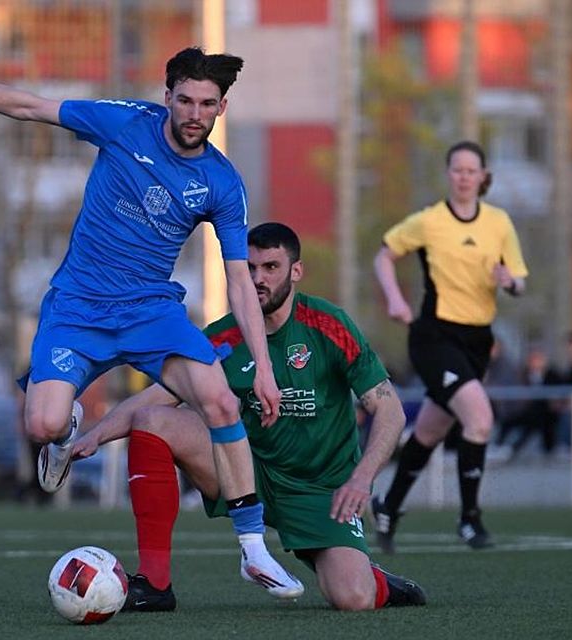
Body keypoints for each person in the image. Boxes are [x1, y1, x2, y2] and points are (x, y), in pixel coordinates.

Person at [0, 47, 297, 597]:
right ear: (167, 99)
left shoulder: (222, 183)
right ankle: (64, 432)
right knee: (42, 425)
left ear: (221, 108)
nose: (194, 113)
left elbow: (238, 284)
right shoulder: (125, 123)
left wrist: (266, 369)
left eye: (207, 103)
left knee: (221, 401)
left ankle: (253, 551)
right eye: (185, 100)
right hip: (78, 309)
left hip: (151, 313)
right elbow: (30, 107)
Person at [72, 223, 424, 611]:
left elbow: (388, 409)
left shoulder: (329, 326)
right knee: (154, 421)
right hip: (248, 476)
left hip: (322, 490)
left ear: (296, 271)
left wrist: (362, 478)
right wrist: (95, 435)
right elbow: (159, 395)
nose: (258, 279)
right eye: (250, 268)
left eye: (271, 267)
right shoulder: (223, 337)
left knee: (353, 597)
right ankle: (155, 584)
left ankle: (380, 580)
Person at [371, 140, 529, 552]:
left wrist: (509, 281)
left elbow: (519, 280)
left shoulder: (499, 223)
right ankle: (470, 520)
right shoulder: (429, 221)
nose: (463, 177)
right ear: (449, 175)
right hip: (434, 336)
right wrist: (395, 298)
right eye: (456, 170)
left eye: (470, 170)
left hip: (477, 342)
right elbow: (384, 255)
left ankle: (387, 506)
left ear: (483, 177)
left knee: (429, 431)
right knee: (479, 417)